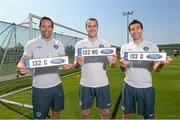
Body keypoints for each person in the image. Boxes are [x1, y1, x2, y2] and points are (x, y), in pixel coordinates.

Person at [17, 16, 71, 119]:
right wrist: (20, 66)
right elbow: (22, 61)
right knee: (39, 118)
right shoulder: (31, 44)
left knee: (56, 114)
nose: (46, 29)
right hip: (40, 89)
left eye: (49, 26)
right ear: (39, 27)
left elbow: (64, 61)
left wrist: (69, 65)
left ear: (52, 28)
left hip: (57, 86)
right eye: (44, 26)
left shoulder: (59, 44)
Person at [120, 19, 173, 119]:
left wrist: (161, 63)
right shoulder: (125, 48)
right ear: (130, 32)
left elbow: (156, 69)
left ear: (142, 29)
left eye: (138, 28)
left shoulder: (152, 46)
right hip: (128, 86)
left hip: (146, 87)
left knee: (148, 117)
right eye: (132, 29)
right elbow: (123, 69)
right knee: (126, 115)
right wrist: (123, 65)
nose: (135, 31)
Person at [74, 18, 117, 119]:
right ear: (86, 28)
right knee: (85, 113)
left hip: (102, 84)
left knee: (105, 113)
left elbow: (112, 64)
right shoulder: (80, 44)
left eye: (94, 26)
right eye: (89, 26)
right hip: (85, 84)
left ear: (97, 27)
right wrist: (77, 63)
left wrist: (113, 63)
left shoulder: (105, 43)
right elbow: (75, 64)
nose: (92, 28)